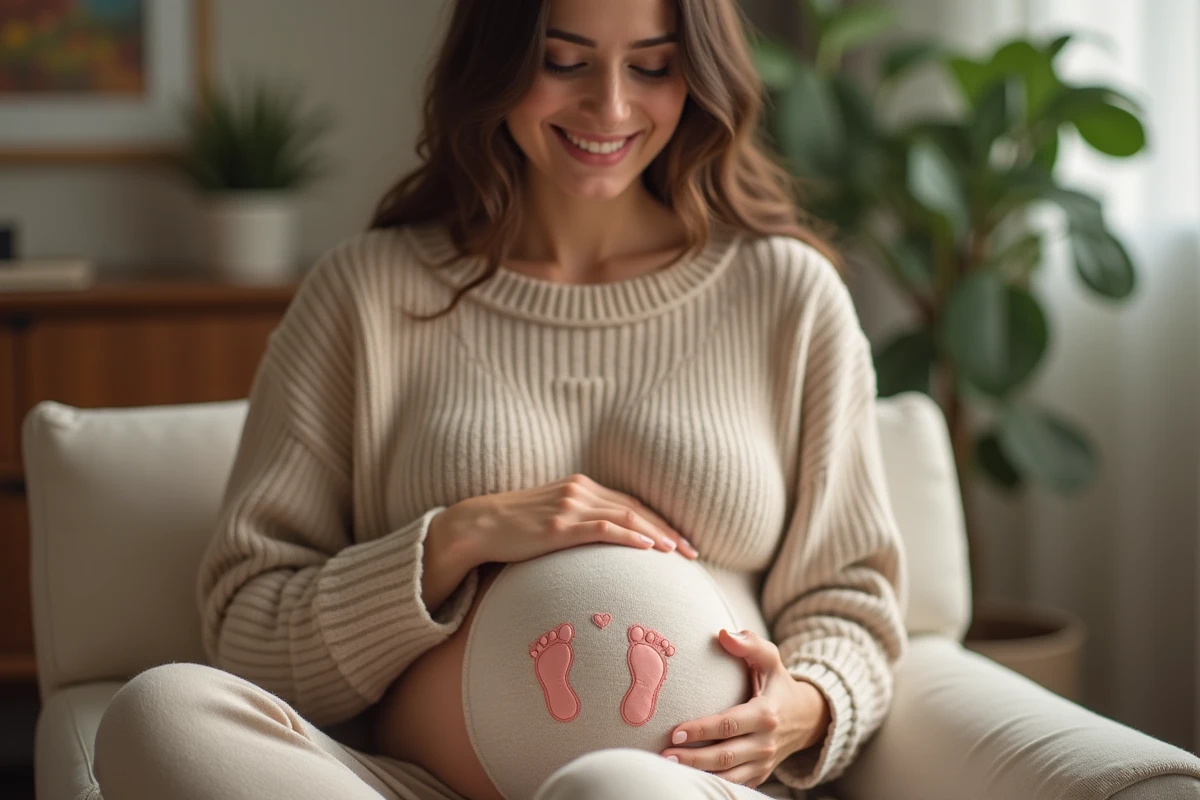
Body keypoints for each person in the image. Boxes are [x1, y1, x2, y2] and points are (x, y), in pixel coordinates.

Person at [92, 0, 909, 797]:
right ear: (497, 61)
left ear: (696, 75)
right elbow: (248, 623)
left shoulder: (786, 295)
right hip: (406, 786)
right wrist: (453, 540)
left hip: (681, 787)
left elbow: (853, 599)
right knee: (158, 713)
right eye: (564, 61)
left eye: (653, 66)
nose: (611, 105)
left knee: (619, 788)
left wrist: (806, 705)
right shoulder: (365, 295)